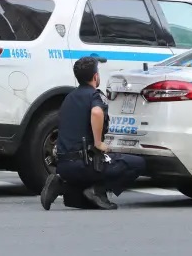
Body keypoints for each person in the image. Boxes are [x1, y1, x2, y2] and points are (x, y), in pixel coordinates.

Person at [40, 57, 146, 211]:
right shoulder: (95, 95)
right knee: (138, 163)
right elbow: (96, 112)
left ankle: (60, 185)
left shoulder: (68, 97)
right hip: (85, 164)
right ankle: (98, 190)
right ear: (95, 76)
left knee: (84, 202)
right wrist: (98, 143)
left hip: (63, 166)